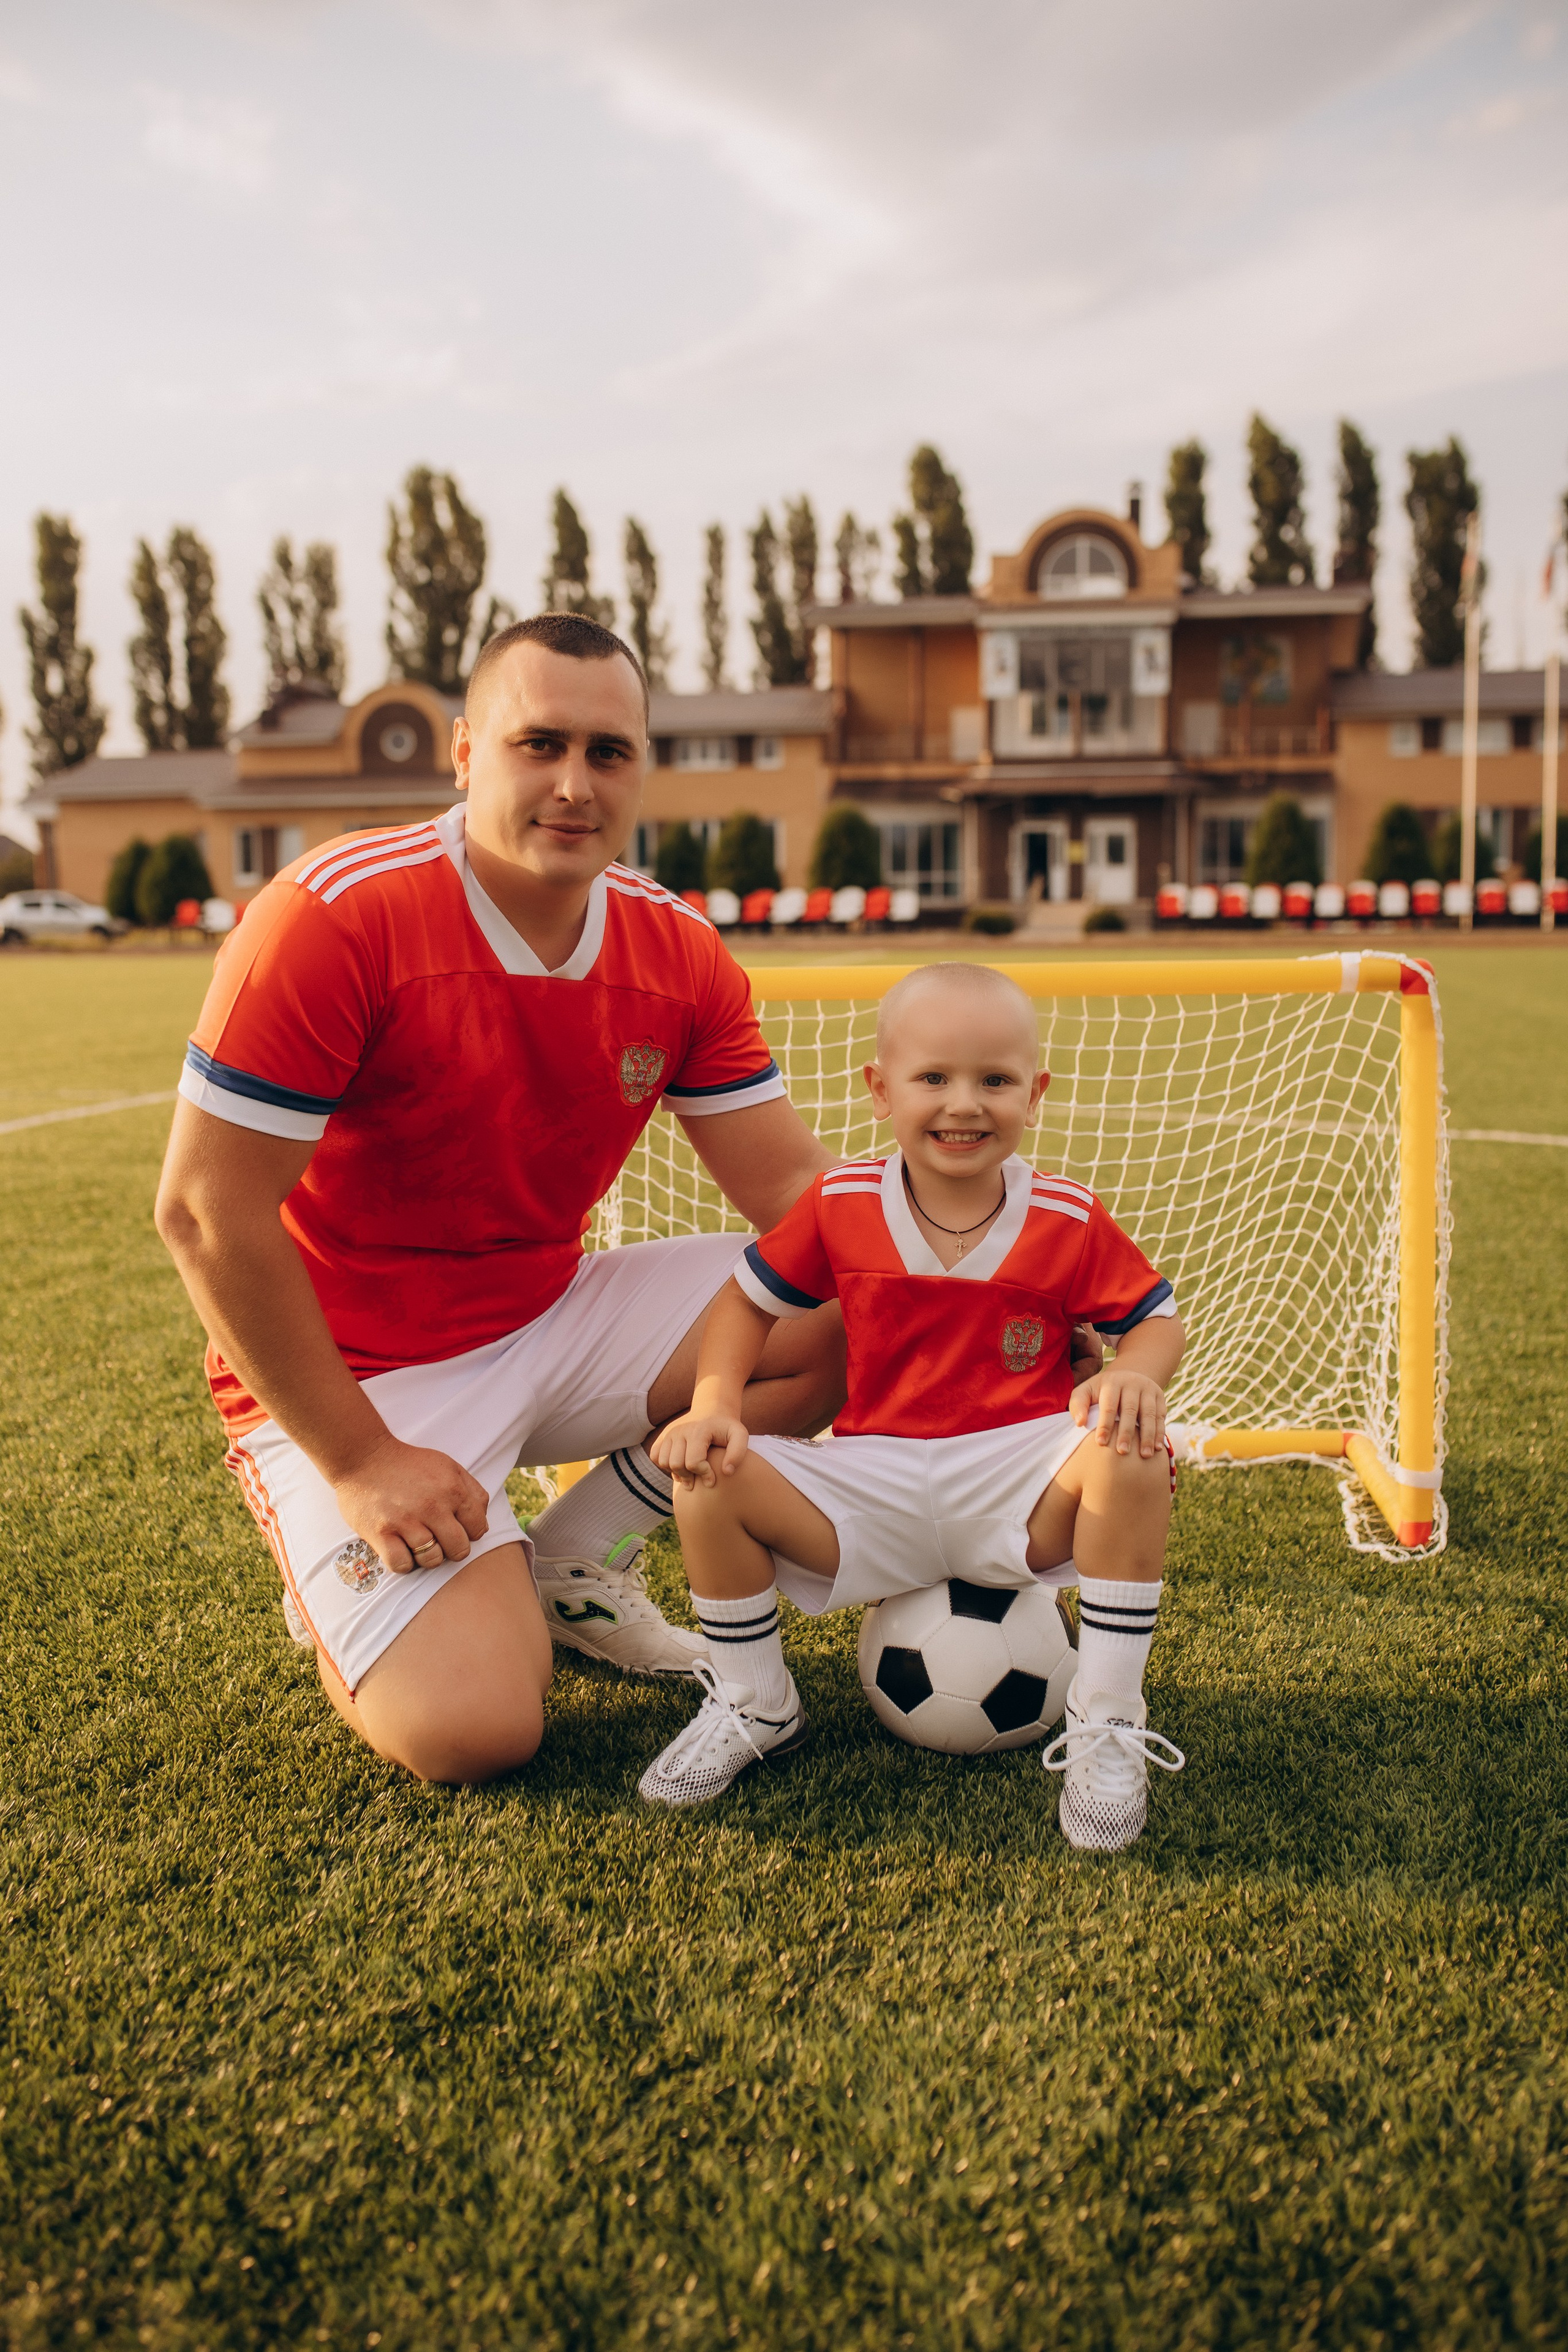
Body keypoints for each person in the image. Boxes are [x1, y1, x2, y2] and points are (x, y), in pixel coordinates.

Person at [154, 614, 843, 1785]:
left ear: (642, 769)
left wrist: (991, 1289)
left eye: (610, 753)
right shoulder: (335, 915)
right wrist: (363, 1460)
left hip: (548, 1313)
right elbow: (205, 1214)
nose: (575, 785)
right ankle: (345, 1564)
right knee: (478, 1730)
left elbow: (793, 1189)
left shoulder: (676, 949)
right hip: (357, 1374)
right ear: (468, 752)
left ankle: (576, 1554)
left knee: (853, 1303)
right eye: (541, 745)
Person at [641, 962, 1187, 1852]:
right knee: (709, 1474)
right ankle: (756, 1700)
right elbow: (745, 1302)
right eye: (933, 1078)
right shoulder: (841, 1201)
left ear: (1035, 1093)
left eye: (995, 1080)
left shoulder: (1067, 1215)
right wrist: (714, 1402)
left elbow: (1156, 1321)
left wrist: (1138, 1374)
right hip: (875, 1477)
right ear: (879, 1089)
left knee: (1131, 1446)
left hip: (1020, 1479)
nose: (963, 1104)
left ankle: (1108, 1718)